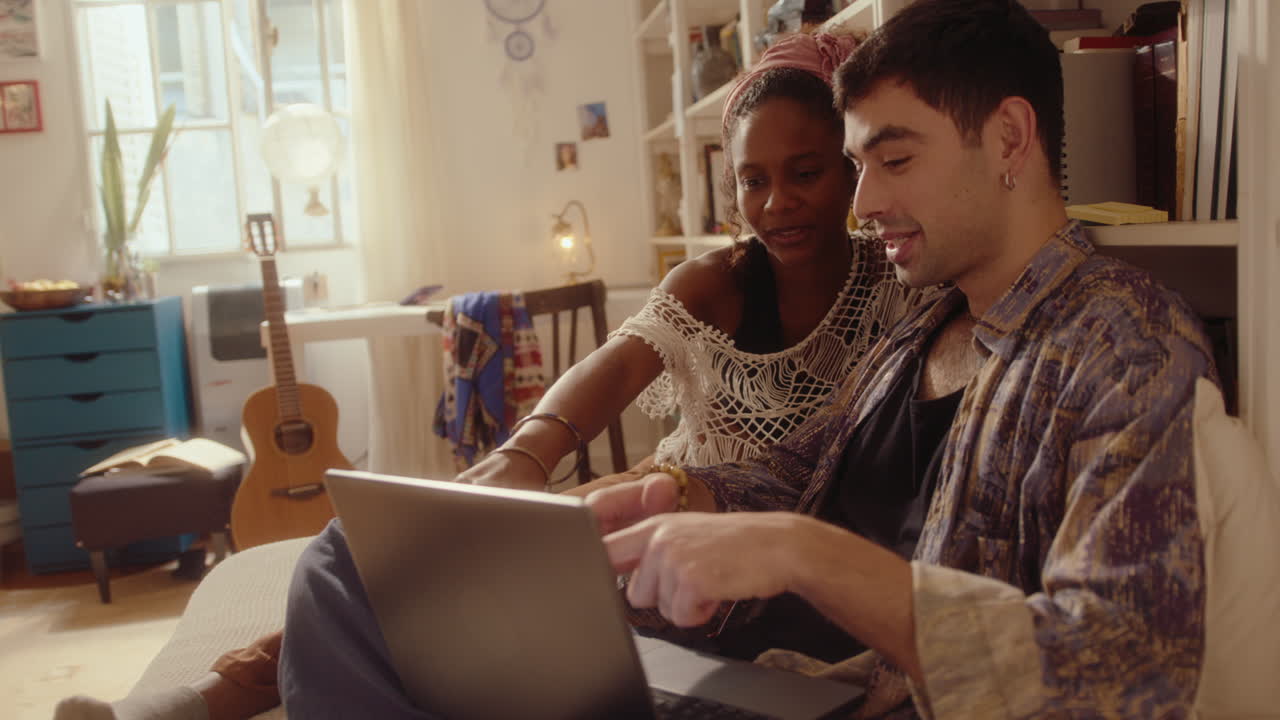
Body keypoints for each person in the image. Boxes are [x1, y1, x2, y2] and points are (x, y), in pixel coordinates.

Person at [278, 0, 1215, 717]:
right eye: (856, 167)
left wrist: (802, 556)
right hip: (747, 662)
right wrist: (674, 497)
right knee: (350, 560)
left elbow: (1123, 672)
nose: (857, 206)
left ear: (1010, 138)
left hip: (842, 691)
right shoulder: (924, 325)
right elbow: (805, 469)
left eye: (892, 160)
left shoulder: (1119, 344)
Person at [56, 31, 915, 720]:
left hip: (772, 550)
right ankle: (220, 691)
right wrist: (528, 454)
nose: (778, 204)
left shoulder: (904, 286)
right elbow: (609, 368)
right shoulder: (718, 282)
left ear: (851, 166)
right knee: (409, 564)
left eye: (805, 174)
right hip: (674, 498)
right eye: (753, 182)